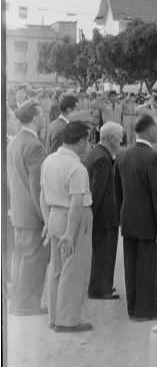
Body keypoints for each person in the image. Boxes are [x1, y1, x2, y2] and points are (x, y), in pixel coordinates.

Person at [114, 114, 157, 321]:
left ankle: (133, 307)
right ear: (149, 130)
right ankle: (147, 310)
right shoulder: (154, 157)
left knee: (132, 266)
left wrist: (123, 214)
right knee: (149, 266)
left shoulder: (122, 155)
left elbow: (117, 190)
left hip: (129, 219)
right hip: (150, 223)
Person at [40, 121, 94, 332]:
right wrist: (70, 234)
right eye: (87, 140)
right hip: (73, 219)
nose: (89, 144)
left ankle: (55, 317)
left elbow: (42, 194)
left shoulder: (49, 160)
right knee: (74, 270)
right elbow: (76, 204)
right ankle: (68, 320)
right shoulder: (76, 167)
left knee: (56, 269)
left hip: (54, 216)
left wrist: (47, 221)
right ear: (80, 141)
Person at [6, 101, 49, 315]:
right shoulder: (34, 145)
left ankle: (17, 302)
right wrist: (45, 217)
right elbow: (37, 186)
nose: (43, 118)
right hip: (32, 213)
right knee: (34, 260)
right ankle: (28, 304)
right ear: (34, 118)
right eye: (41, 114)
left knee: (20, 257)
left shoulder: (14, 142)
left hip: (19, 211)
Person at [85, 122, 123, 300]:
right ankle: (100, 289)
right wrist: (91, 215)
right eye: (120, 136)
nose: (122, 139)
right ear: (110, 138)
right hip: (105, 215)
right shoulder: (102, 158)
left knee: (103, 252)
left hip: (103, 214)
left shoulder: (98, 152)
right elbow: (97, 191)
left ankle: (103, 285)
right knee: (105, 252)